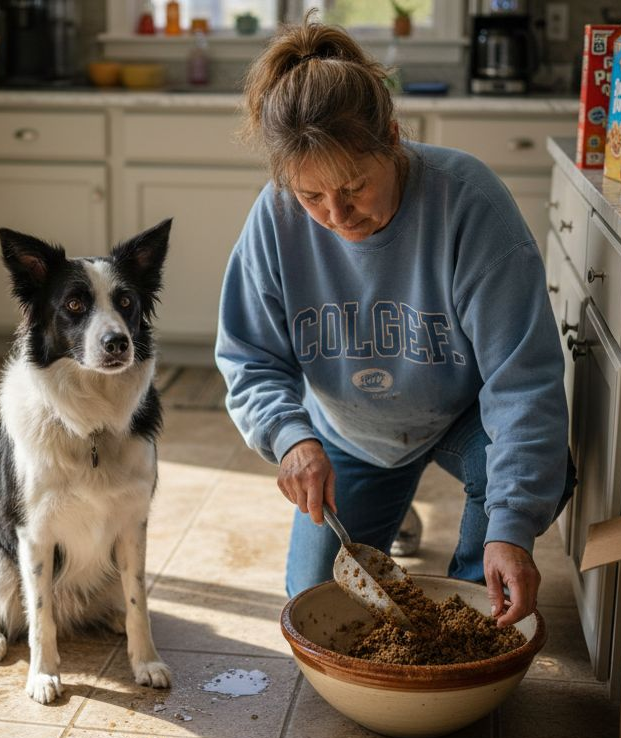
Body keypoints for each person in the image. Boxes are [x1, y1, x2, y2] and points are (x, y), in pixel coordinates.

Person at [214, 16, 575, 628]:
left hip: (465, 418)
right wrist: (293, 439)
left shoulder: (470, 204)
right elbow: (250, 357)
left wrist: (510, 528)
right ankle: (389, 500)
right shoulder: (273, 217)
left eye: (354, 186)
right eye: (311, 197)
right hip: (351, 430)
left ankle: (468, 604)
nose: (336, 215)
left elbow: (523, 382)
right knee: (315, 602)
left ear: (392, 137)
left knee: (479, 598)